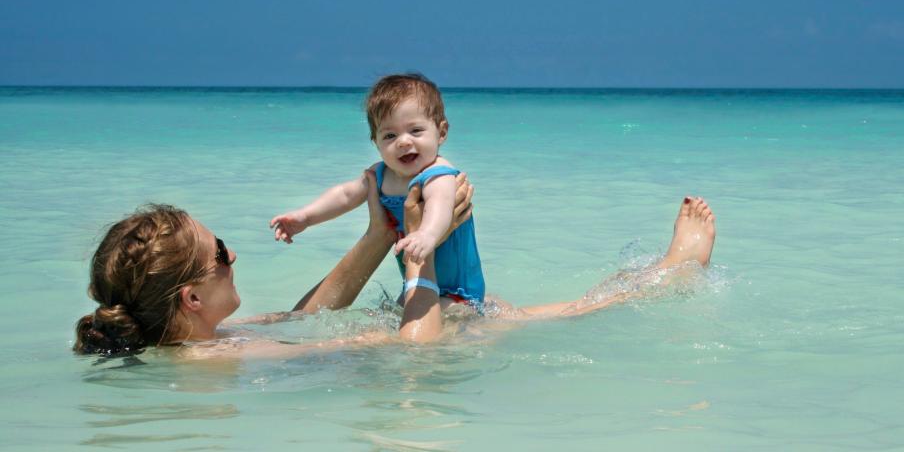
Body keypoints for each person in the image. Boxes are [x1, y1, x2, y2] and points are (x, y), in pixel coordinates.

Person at [74, 171, 716, 358]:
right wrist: (422, 250)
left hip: (403, 334)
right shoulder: (215, 361)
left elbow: (310, 318)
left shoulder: (197, 343)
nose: (232, 253)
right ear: (190, 297)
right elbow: (415, 353)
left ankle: (665, 275)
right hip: (420, 351)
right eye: (219, 253)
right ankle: (674, 274)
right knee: (565, 315)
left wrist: (382, 232)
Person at [270, 73, 485, 310]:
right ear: (376, 142)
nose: (403, 141)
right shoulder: (381, 175)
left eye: (415, 131)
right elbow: (345, 195)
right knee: (391, 319)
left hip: (459, 292)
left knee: (422, 332)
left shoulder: (438, 174)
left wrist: (427, 235)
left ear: (441, 132)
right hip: (414, 280)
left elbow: (440, 205)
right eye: (390, 135)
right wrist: (305, 217)